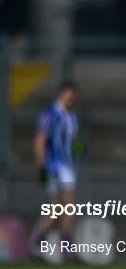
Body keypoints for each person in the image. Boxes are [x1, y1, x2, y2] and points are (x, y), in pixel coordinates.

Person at [31, 81, 80, 259]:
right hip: (55, 167)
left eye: (73, 96)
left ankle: (40, 240)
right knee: (68, 205)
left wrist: (80, 149)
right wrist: (42, 169)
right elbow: (40, 143)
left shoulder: (72, 117)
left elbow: (70, 145)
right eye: (68, 95)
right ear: (61, 95)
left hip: (67, 166)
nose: (70, 99)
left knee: (60, 208)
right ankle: (64, 243)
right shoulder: (50, 115)